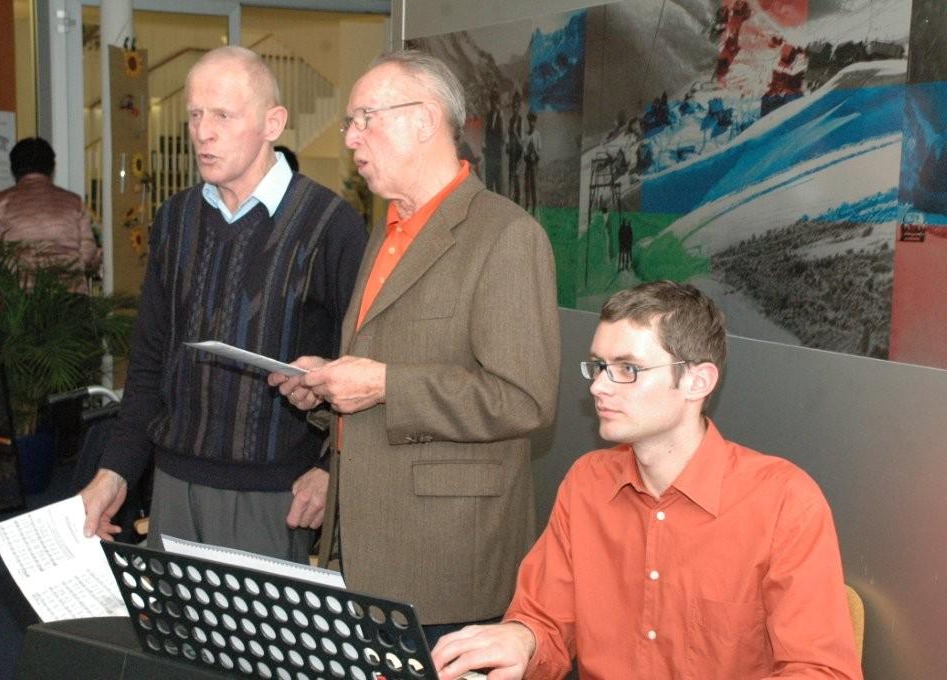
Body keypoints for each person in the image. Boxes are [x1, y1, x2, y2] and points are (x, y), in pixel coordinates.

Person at [270, 50, 561, 645]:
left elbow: (524, 399)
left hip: (446, 563)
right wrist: (327, 385)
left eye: (364, 119)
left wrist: (383, 384)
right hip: (363, 547)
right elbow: (389, 357)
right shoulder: (386, 230)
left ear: (425, 120)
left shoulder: (506, 235)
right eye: (350, 122)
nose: (350, 138)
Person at [432, 281, 863, 680]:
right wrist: (521, 639)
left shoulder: (783, 501)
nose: (599, 387)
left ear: (696, 381)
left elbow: (820, 671)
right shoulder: (587, 484)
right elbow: (544, 620)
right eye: (599, 366)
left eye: (628, 369)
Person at [79, 46, 367, 563]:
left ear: (272, 122)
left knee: (260, 622)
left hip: (276, 496)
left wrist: (333, 470)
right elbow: (149, 360)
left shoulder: (330, 225)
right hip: (172, 483)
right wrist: (116, 470)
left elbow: (363, 365)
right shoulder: (176, 219)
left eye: (222, 116)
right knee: (171, 618)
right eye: (194, 115)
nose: (202, 133)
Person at [0, 137, 99, 288]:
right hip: (69, 292)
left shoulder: (0, 202)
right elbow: (88, 252)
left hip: (20, 294)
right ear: (51, 168)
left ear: (14, 168)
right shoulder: (73, 202)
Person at [483, 88, 504, 194]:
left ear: (498, 102)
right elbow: (486, 134)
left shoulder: (500, 116)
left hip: (497, 154)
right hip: (489, 154)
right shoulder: (489, 116)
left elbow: (503, 136)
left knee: (498, 182)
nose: (493, 103)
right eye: (492, 100)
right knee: (489, 182)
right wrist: (484, 146)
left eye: (495, 100)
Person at [522, 110, 541, 215]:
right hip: (527, 164)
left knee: (534, 187)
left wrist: (534, 150)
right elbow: (524, 153)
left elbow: (539, 155)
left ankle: (535, 208)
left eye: (533, 121)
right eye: (530, 121)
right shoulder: (526, 135)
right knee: (527, 187)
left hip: (534, 165)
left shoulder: (537, 135)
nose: (531, 123)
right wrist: (527, 153)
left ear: (535, 122)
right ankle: (527, 207)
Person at [506, 90, 523, 204]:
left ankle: (518, 204)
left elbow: (522, 142)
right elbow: (509, 136)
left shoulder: (521, 120)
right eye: (513, 107)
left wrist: (515, 133)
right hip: (511, 152)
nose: (514, 109)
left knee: (517, 180)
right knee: (510, 178)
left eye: (516, 107)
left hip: (519, 153)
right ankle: (510, 203)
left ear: (519, 107)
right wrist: (508, 145)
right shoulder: (511, 120)